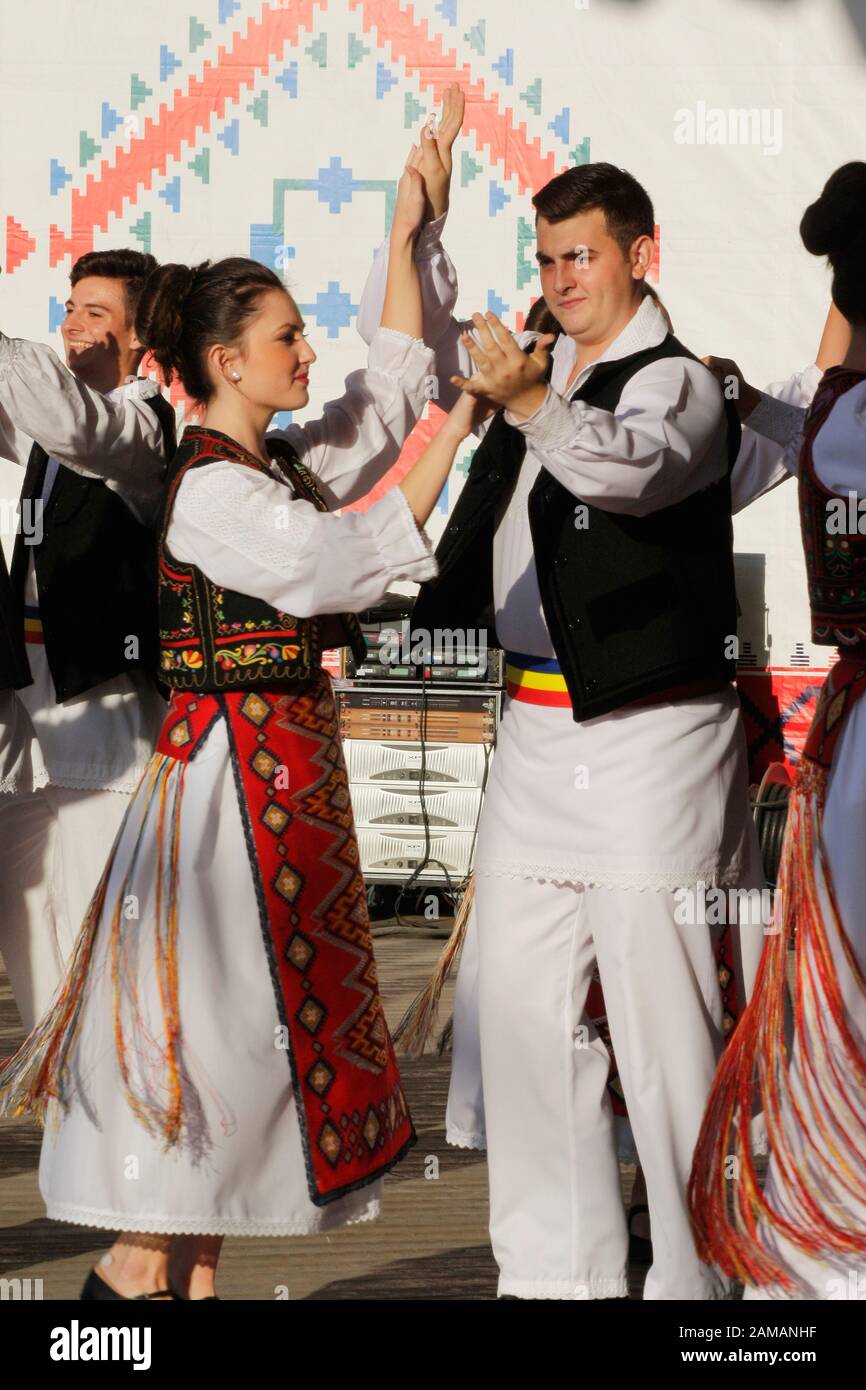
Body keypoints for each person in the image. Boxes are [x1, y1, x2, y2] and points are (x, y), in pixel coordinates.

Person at [0, 148, 483, 1302]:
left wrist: (406, 225)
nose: (307, 354)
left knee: (231, 1114)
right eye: (285, 338)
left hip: (277, 798)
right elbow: (329, 566)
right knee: (201, 1055)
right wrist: (459, 430)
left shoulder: (283, 465)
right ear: (224, 361)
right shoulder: (210, 489)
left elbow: (393, 382)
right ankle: (106, 1316)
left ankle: (181, 1288)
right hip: (219, 807)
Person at [359, 156, 768, 1300]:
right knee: (527, 1031)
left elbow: (635, 474)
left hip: (649, 746)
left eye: (577, 254)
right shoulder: (535, 375)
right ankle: (554, 1283)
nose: (557, 277)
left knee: (666, 1038)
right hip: (533, 739)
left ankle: (700, 1294)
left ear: (640, 255)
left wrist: (532, 404)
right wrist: (419, 234)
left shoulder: (676, 382)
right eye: (544, 257)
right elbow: (399, 364)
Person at [689, 162, 866, 1301]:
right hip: (854, 737)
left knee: (842, 979)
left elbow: (826, 411)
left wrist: (753, 406)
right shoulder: (842, 415)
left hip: (854, 734)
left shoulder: (842, 415)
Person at [0, 249, 174, 1032]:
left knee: (95, 929)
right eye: (71, 306)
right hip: (28, 712)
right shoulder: (50, 418)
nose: (75, 323)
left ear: (142, 339)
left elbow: (77, 425)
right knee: (27, 927)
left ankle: (115, 1105)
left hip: (102, 712)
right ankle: (54, 1090)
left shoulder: (138, 429)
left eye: (97, 312)